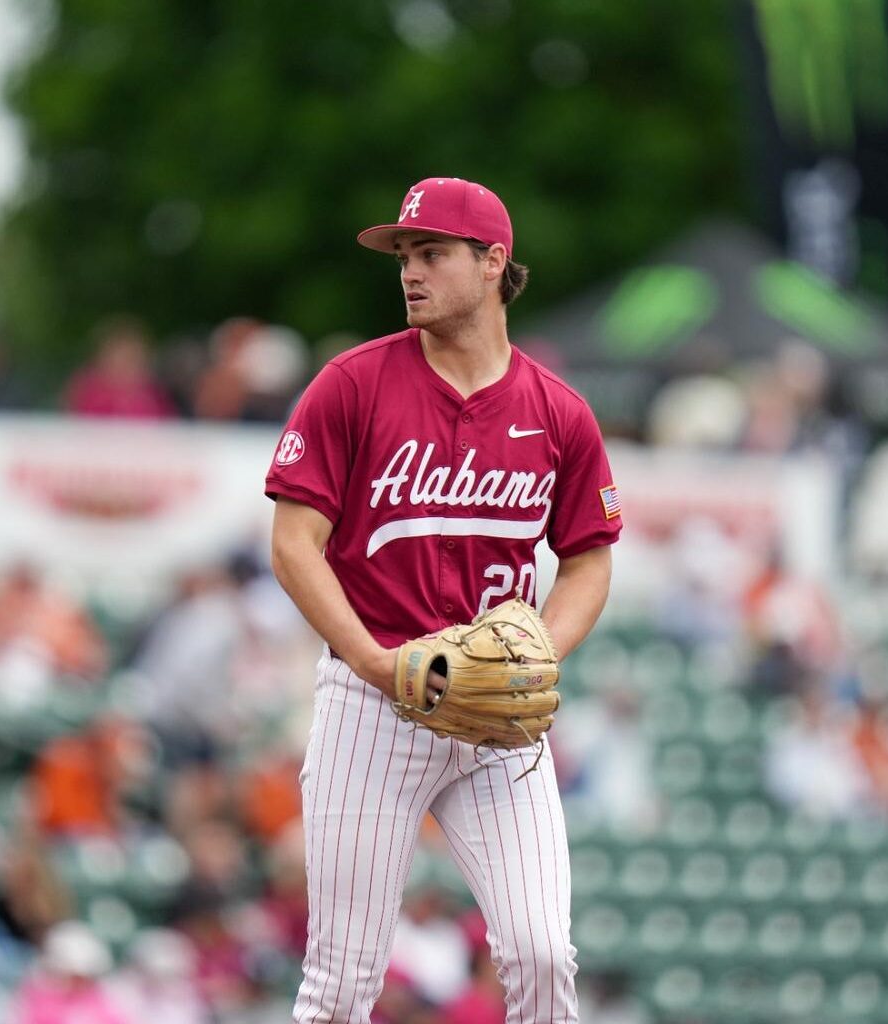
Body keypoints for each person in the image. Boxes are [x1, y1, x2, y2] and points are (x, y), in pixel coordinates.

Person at [265, 176, 621, 1023]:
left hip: (498, 719)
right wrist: (373, 660)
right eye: (404, 255)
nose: (409, 271)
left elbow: (589, 560)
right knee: (344, 982)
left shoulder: (558, 412)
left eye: (431, 253)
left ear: (494, 262)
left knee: (541, 954)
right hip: (374, 703)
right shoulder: (352, 385)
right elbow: (292, 543)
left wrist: (541, 650)